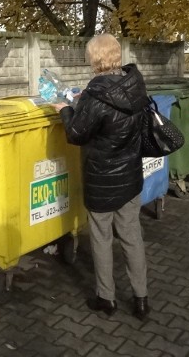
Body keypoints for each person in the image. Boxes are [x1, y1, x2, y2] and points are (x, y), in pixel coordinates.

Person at [52, 32, 151, 321]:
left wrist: (66, 110)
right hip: (131, 176)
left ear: (94, 59)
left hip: (102, 179)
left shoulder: (96, 95)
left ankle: (106, 298)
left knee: (102, 237)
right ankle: (141, 299)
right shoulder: (135, 86)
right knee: (132, 236)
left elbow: (76, 134)